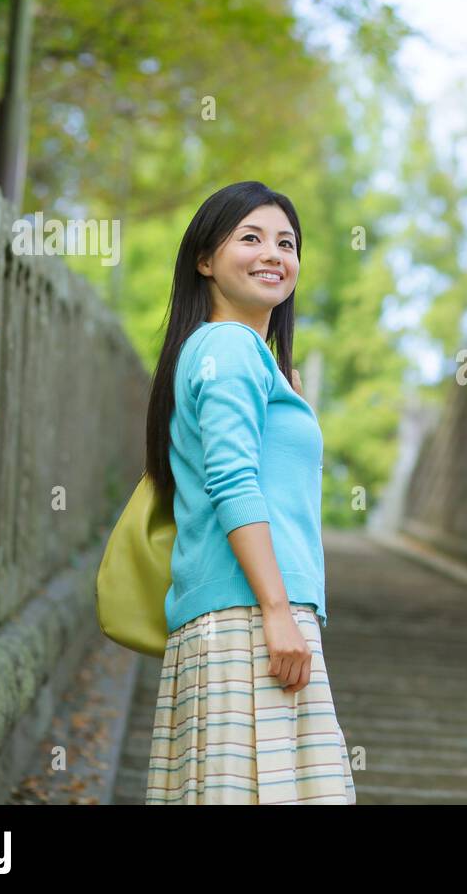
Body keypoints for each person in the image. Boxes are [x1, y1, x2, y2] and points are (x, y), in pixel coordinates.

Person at [141, 180, 356, 804]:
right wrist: (277, 611)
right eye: (251, 238)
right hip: (246, 620)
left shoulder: (240, 355)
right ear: (205, 260)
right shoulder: (230, 347)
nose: (273, 254)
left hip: (248, 617)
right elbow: (232, 481)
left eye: (287, 243)